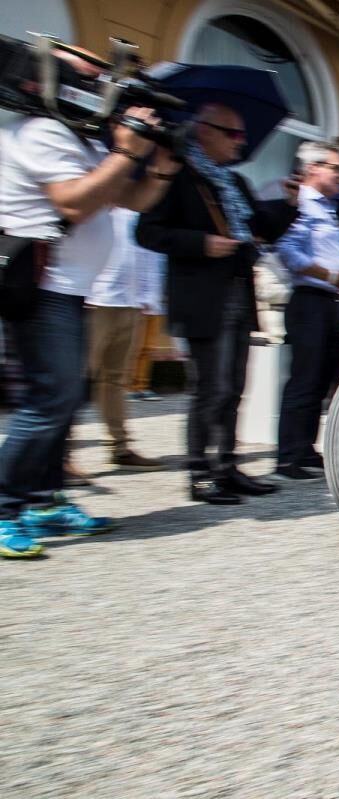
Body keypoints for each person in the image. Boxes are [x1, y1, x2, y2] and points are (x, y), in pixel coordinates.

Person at [0, 49, 179, 558]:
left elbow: (129, 199)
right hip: (43, 286)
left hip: (70, 288)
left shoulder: (70, 137)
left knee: (62, 400)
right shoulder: (40, 132)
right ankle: (6, 506)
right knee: (48, 400)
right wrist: (126, 149)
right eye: (89, 75)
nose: (101, 83)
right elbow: (74, 203)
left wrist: (161, 167)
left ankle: (41, 499)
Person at [136, 102, 299, 506]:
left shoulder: (235, 183)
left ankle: (226, 466)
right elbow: (148, 232)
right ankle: (198, 471)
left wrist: (290, 205)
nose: (239, 143)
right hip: (202, 296)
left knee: (234, 388)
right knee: (211, 388)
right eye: (232, 133)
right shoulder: (178, 177)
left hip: (238, 292)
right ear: (204, 131)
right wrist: (202, 244)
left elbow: (264, 230)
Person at [274, 142, 339, 481]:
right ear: (313, 168)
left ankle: (304, 449)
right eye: (336, 168)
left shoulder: (328, 208)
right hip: (309, 300)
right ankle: (287, 456)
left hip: (330, 302)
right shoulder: (300, 203)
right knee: (304, 380)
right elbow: (287, 251)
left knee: (319, 381)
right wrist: (332, 275)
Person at [84, 207, 167, 470]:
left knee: (117, 379)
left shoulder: (136, 209)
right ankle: (61, 456)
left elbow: (148, 255)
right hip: (93, 302)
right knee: (76, 380)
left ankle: (118, 447)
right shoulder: (98, 205)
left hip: (129, 303)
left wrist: (148, 297)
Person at [127, 235, 169, 401]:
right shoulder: (140, 241)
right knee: (134, 346)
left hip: (156, 300)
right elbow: (139, 270)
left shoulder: (160, 249)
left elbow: (161, 273)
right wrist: (141, 296)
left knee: (149, 347)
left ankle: (142, 385)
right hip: (139, 300)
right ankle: (129, 386)